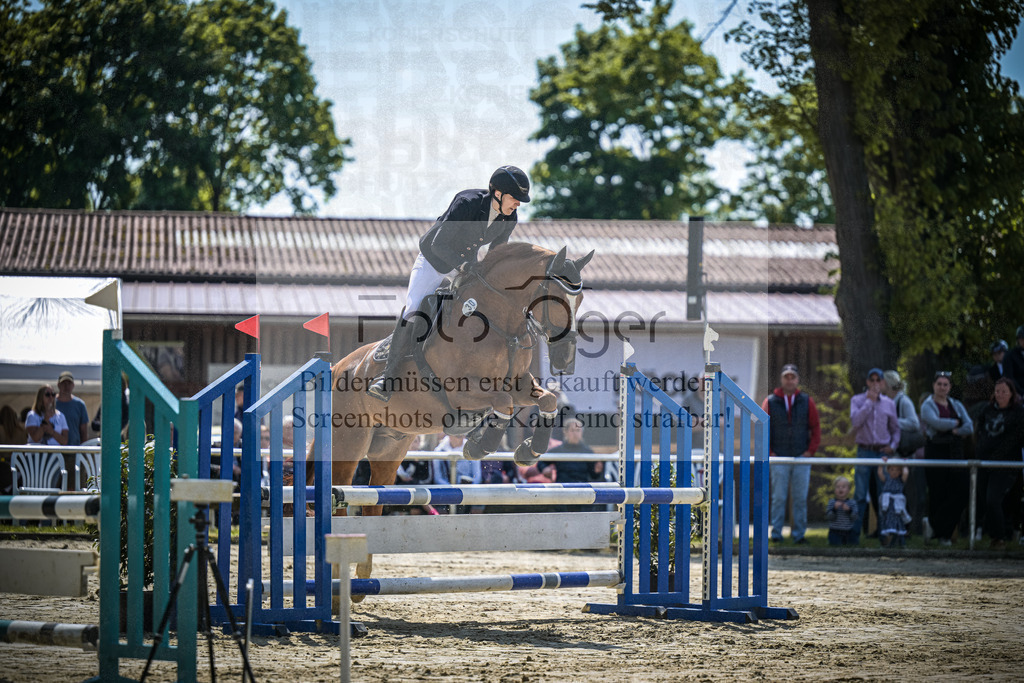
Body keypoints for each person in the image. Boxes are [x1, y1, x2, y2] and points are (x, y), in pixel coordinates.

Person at [367, 165, 531, 402]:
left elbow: (497, 253)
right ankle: (387, 378)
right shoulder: (467, 202)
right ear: (498, 193)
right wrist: (464, 267)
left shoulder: (509, 218)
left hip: (465, 264)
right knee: (414, 309)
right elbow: (438, 244)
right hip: (433, 260)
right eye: (515, 198)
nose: (518, 204)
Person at [762, 364, 821, 544]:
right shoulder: (770, 401)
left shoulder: (806, 400)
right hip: (779, 456)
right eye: (786, 377)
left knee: (800, 498)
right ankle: (776, 533)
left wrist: (810, 451)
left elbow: (816, 427)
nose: (789, 380)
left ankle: (799, 534)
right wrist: (769, 452)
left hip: (801, 456)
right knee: (778, 497)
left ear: (797, 380)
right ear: (781, 379)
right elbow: (762, 428)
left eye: (792, 377)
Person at [920, 371, 974, 546]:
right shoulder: (927, 405)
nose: (942, 387)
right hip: (936, 450)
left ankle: (936, 526)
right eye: (939, 384)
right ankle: (942, 535)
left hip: (955, 451)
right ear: (933, 386)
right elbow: (935, 422)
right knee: (938, 492)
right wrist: (955, 424)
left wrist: (954, 429)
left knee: (961, 490)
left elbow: (969, 426)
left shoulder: (956, 404)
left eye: (945, 384)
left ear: (950, 387)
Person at [850, 367, 900, 538]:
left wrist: (893, 446)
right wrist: (869, 403)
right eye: (872, 380)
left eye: (878, 380)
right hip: (864, 451)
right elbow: (856, 422)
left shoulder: (889, 404)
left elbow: (896, 429)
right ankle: (854, 535)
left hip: (882, 453)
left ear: (882, 383)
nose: (875, 384)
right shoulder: (857, 400)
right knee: (860, 494)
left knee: (883, 494)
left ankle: (884, 533)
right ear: (867, 382)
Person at [975, 378, 1024, 549]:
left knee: (993, 500)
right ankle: (996, 535)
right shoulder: (986, 410)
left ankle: (1000, 538)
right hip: (984, 464)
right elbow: (980, 430)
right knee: (985, 499)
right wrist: (981, 450)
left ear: (1011, 393)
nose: (1000, 395)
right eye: (997, 391)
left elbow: (1015, 439)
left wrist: (995, 455)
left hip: (1006, 465)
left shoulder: (1018, 412)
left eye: (1004, 391)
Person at [883, 369, 925, 533]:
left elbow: (914, 424)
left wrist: (893, 422)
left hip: (904, 455)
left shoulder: (904, 401)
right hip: (893, 453)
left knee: (906, 492)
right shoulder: (887, 401)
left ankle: (909, 528)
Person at [541, 418, 600, 511]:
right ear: (565, 431)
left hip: (582, 491)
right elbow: (542, 462)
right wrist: (544, 469)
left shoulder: (588, 452)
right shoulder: (558, 451)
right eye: (572, 430)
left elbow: (594, 475)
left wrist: (597, 471)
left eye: (578, 430)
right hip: (562, 490)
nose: (575, 433)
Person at [877, 464, 911, 547]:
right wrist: (881, 463)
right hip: (888, 506)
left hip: (897, 506)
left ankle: (902, 543)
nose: (894, 472)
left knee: (899, 523)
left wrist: (904, 464)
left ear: (900, 471)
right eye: (892, 469)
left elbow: (906, 473)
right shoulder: (886, 479)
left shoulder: (900, 480)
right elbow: (880, 473)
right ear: (888, 470)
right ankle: (890, 543)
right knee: (888, 524)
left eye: (897, 470)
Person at [54, 371, 89, 446]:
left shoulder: (80, 404)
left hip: (74, 449)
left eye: (69, 383)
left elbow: (84, 432)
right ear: (58, 385)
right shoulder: (51, 403)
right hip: (54, 450)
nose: (66, 386)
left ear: (73, 385)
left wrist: (83, 451)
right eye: (64, 383)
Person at [826, 476, 860, 546]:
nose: (840, 489)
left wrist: (849, 510)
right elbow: (829, 517)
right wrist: (834, 509)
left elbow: (855, 517)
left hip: (849, 531)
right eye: (838, 487)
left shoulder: (852, 503)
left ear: (848, 490)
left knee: (853, 544)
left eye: (843, 487)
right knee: (835, 544)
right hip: (834, 531)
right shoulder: (832, 502)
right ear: (834, 490)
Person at [1005, 325, 1024, 395]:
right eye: (1022, 338)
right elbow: (1009, 377)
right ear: (1018, 340)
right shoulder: (1009, 356)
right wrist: (1021, 392)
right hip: (1017, 394)